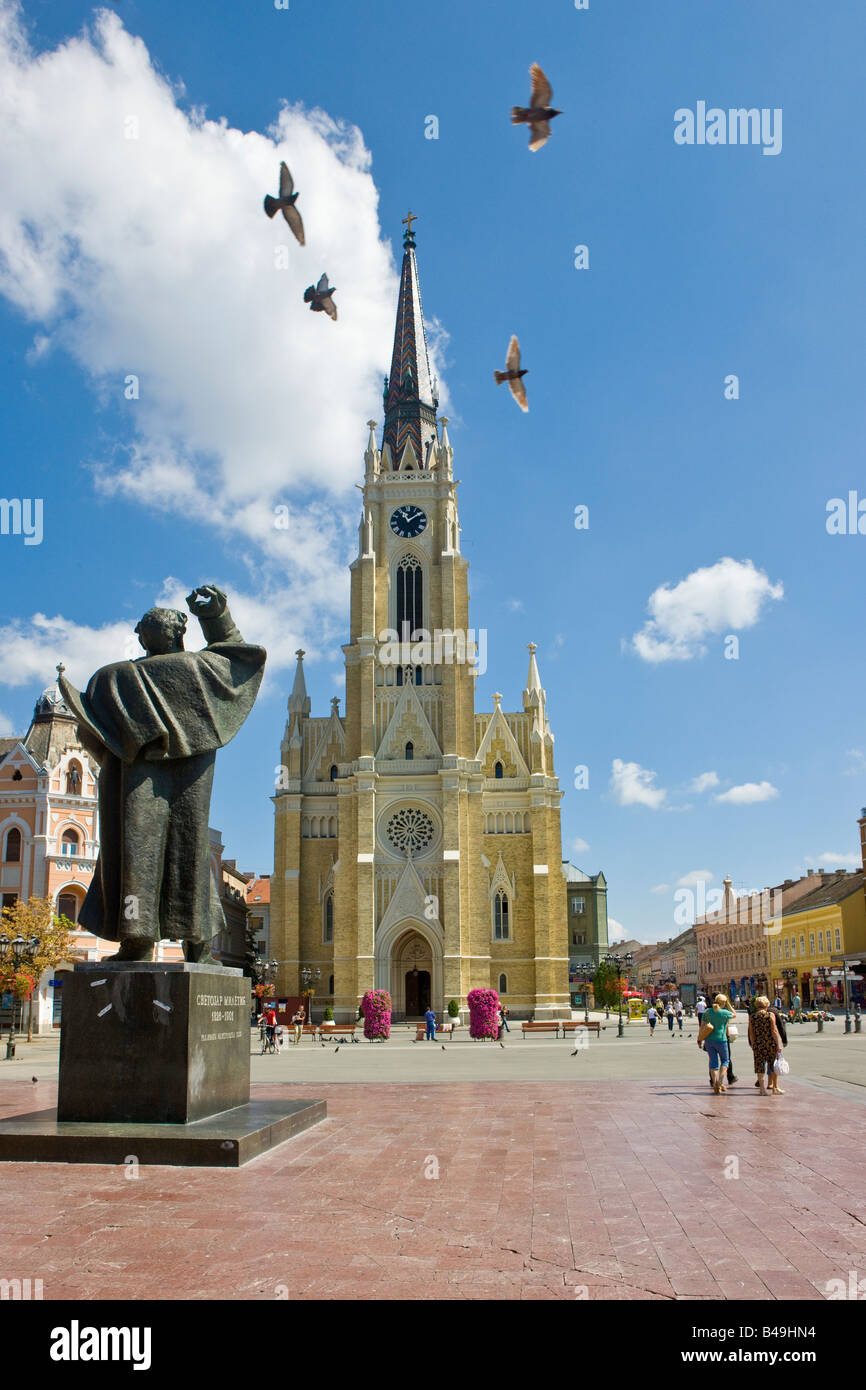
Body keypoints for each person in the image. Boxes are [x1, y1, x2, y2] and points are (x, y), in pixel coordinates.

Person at [699, 992, 734, 1094]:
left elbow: (702, 1026)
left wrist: (699, 1038)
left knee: (713, 1063)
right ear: (724, 1003)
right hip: (721, 1040)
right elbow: (734, 1014)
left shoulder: (707, 1011)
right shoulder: (724, 1012)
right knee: (725, 1061)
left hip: (709, 1040)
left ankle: (715, 1084)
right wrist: (728, 1004)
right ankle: (720, 1081)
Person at [748, 995, 783, 1095]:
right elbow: (774, 1031)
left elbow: (751, 1032)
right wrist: (778, 1044)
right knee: (773, 1065)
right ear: (766, 1004)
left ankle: (762, 1089)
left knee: (759, 1066)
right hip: (770, 1043)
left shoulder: (752, 1016)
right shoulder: (770, 1015)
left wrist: (753, 1044)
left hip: (758, 1044)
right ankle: (775, 1087)